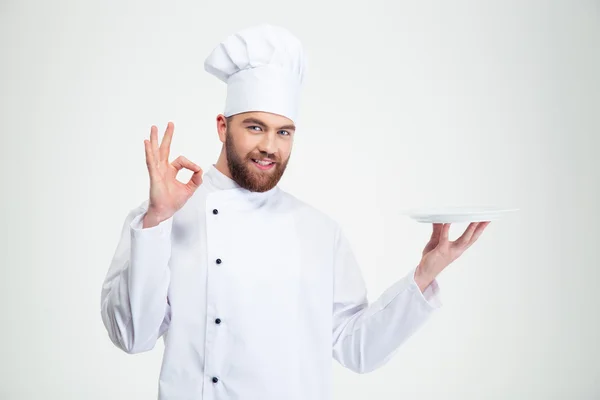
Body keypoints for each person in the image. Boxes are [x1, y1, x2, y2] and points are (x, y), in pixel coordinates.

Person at [100, 24, 490, 400]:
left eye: (283, 132)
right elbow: (132, 338)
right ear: (222, 127)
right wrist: (156, 221)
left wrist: (424, 275)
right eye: (255, 127)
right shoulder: (162, 216)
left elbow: (358, 349)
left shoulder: (320, 231)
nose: (270, 146)